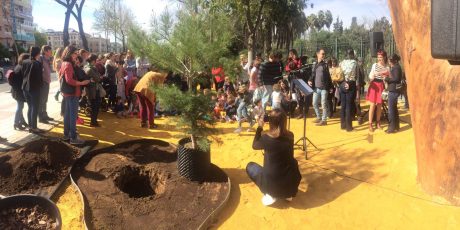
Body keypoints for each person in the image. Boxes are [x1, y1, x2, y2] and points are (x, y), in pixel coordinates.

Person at [246, 109, 301, 206]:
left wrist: (259, 127)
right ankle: (285, 194)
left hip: (272, 184)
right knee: (292, 163)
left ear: (270, 122)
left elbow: (254, 145)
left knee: (250, 166)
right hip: (290, 185)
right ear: (285, 121)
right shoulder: (290, 135)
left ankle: (271, 194)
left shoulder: (266, 138)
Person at [59, 45, 90, 144]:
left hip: (68, 93)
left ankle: (66, 135)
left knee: (68, 115)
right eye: (75, 53)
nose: (76, 55)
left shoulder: (65, 63)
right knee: (73, 116)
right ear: (69, 53)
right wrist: (82, 83)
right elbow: (70, 81)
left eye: (77, 53)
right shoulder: (68, 64)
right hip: (73, 93)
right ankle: (73, 137)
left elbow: (62, 77)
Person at [21, 46, 44, 134]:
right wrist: (40, 86)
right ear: (38, 53)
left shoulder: (25, 61)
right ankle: (34, 127)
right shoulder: (37, 63)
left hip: (25, 87)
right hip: (34, 88)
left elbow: (23, 74)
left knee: (30, 107)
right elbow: (39, 78)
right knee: (35, 108)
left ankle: (31, 126)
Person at [308, 48, 332, 126]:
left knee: (323, 104)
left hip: (324, 88)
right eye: (322, 54)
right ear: (318, 54)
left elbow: (328, 76)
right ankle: (319, 117)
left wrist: (330, 87)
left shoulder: (325, 65)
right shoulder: (315, 64)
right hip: (316, 88)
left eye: (324, 54)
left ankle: (324, 120)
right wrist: (310, 80)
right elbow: (312, 74)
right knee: (314, 103)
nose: (323, 55)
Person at [367, 50, 390, 132]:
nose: (379, 58)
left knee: (379, 105)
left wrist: (386, 84)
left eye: (380, 57)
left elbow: (388, 78)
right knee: (372, 105)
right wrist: (371, 77)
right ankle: (370, 124)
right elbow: (371, 75)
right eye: (378, 57)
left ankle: (378, 122)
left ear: (384, 57)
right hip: (374, 86)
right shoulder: (375, 65)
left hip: (381, 87)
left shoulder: (387, 67)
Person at [339, 49, 358, 132]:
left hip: (342, 84)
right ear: (352, 54)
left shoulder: (341, 63)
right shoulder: (354, 63)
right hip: (351, 83)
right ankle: (349, 127)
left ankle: (343, 125)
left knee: (343, 105)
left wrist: (343, 82)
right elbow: (356, 75)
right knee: (349, 105)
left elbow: (339, 74)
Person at [11, 53, 30, 131]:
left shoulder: (18, 66)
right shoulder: (22, 67)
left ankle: (22, 121)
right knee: (20, 107)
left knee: (20, 107)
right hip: (19, 91)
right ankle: (16, 123)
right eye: (28, 59)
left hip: (15, 90)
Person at [84, 54, 103, 127]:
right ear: (93, 60)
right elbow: (98, 78)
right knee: (95, 106)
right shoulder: (90, 69)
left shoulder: (86, 67)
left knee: (94, 106)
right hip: (93, 90)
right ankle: (93, 122)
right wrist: (98, 77)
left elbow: (97, 78)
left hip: (91, 90)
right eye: (96, 60)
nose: (97, 61)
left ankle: (93, 121)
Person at [385, 54, 402, 133]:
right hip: (393, 90)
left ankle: (391, 128)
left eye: (390, 60)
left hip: (393, 91)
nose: (389, 62)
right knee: (394, 110)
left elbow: (396, 78)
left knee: (391, 110)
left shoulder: (396, 68)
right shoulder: (396, 67)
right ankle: (396, 126)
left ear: (395, 61)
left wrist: (387, 79)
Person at [38, 45, 54, 124]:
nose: (51, 52)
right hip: (43, 82)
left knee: (45, 100)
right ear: (45, 51)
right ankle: (41, 117)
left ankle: (45, 115)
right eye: (50, 51)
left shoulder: (47, 59)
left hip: (47, 82)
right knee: (42, 100)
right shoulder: (40, 59)